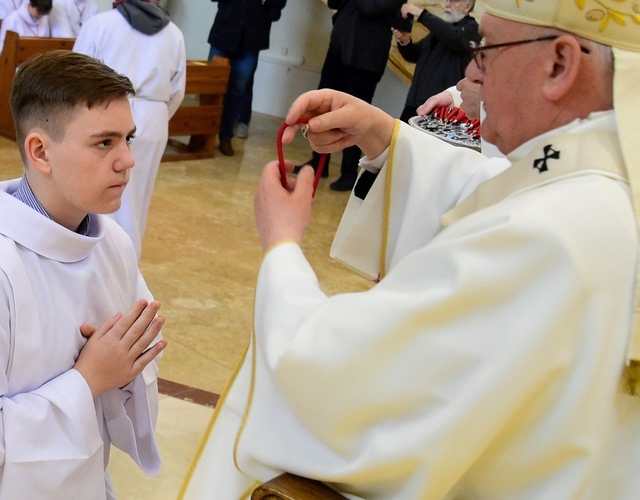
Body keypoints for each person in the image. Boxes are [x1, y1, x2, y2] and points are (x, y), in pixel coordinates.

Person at [181, 0, 640, 497]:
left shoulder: (553, 229)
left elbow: (340, 384)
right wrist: (385, 137)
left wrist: (283, 251)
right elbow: (491, 190)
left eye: (486, 51)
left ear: (559, 64)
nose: (473, 72)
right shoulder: (605, 181)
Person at [0, 50, 168, 498]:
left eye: (128, 138)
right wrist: (86, 382)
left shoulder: (113, 246)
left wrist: (123, 371)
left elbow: (132, 375)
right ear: (40, 151)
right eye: (104, 143)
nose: (127, 160)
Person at [74, 0, 185, 259]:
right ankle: (127, 259)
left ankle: (97, 258)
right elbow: (177, 90)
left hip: (106, 115)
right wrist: (152, 119)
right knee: (137, 201)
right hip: (154, 116)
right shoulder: (174, 34)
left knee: (100, 192)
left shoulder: (102, 24)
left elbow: (75, 76)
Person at [295, 0, 404, 192]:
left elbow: (371, 8)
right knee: (324, 107)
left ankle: (349, 172)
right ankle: (318, 160)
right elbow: (333, 3)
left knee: (355, 117)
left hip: (365, 60)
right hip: (339, 50)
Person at [207, 0, 286, 157]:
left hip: (252, 37)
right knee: (211, 85)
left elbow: (277, 6)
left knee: (237, 90)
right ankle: (203, 135)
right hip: (225, 29)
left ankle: (225, 136)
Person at [392, 0, 480, 123]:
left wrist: (422, 15)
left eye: (454, 1)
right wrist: (405, 40)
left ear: (467, 7)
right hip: (415, 102)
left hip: (441, 107)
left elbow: (455, 39)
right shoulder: (440, 30)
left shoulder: (472, 29)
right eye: (447, 0)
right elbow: (414, 55)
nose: (448, 4)